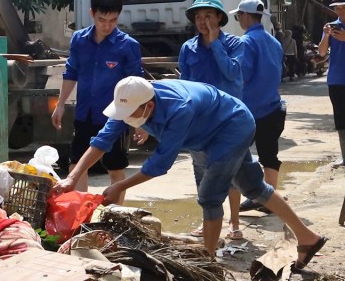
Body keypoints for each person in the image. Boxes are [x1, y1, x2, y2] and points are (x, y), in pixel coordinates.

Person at [54, 77, 327, 264]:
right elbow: (101, 142)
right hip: (205, 131)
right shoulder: (132, 101)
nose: (126, 121)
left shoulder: (177, 110)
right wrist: (71, 178)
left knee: (209, 196)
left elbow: (159, 165)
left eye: (133, 116)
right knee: (255, 188)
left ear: (149, 106)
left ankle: (209, 264)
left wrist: (118, 187)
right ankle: (307, 237)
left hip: (231, 126)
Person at [51, 0, 142, 201]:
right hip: (84, 114)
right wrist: (61, 104)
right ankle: (80, 215)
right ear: (92, 14)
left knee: (115, 168)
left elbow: (136, 85)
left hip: (115, 118)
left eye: (113, 20)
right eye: (102, 19)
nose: (107, 25)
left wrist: (139, 121)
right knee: (77, 166)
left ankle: (115, 214)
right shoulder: (79, 40)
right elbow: (71, 72)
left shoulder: (128, 45)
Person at [177, 0, 244, 238]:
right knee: (201, 171)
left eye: (208, 16)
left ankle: (235, 224)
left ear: (219, 18)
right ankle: (208, 221)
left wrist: (216, 44)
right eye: (198, 17)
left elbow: (232, 72)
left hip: (230, 121)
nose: (202, 21)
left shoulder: (235, 44)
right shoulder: (188, 48)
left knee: (235, 173)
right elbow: (184, 84)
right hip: (200, 121)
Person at [227, 0, 286, 223]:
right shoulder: (274, 42)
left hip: (249, 111)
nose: (238, 20)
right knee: (269, 155)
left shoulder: (246, 42)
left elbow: (242, 75)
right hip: (273, 107)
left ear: (245, 16)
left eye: (238, 16)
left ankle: (245, 204)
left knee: (237, 157)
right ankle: (269, 200)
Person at [317, 0, 345, 164]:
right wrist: (326, 35)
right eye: (338, 9)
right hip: (336, 80)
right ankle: (344, 156)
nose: (341, 13)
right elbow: (321, 52)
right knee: (340, 120)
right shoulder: (332, 26)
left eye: (343, 9)